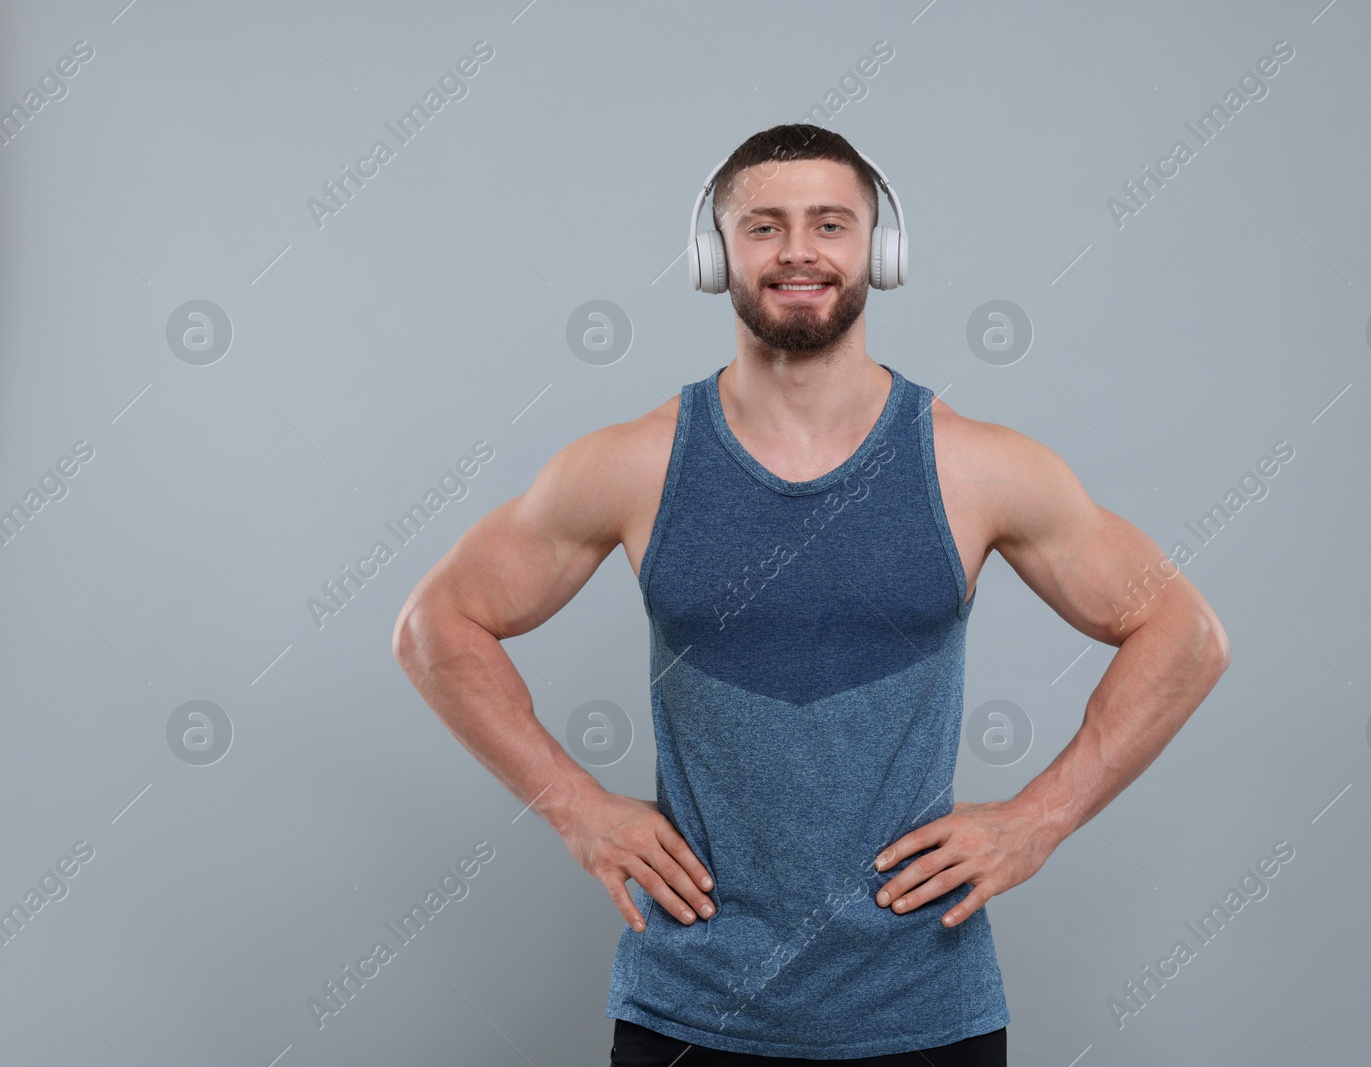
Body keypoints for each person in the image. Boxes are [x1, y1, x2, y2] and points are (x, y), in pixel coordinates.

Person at [392, 124, 1229, 1064]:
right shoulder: (633, 464)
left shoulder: (978, 467)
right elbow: (436, 626)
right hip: (687, 1010)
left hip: (924, 1010)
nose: (798, 250)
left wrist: (1041, 818)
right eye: (764, 227)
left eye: (830, 223)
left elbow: (1184, 633)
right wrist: (577, 808)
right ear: (717, 256)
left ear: (881, 247)